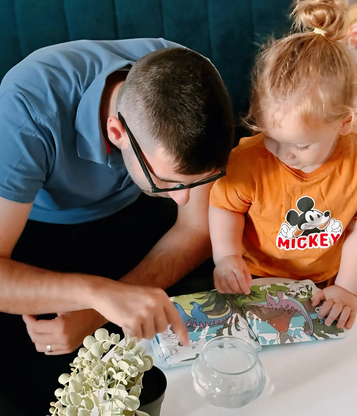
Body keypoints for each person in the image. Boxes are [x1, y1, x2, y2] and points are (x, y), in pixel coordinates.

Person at [0, 38, 234, 414]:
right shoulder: (25, 108)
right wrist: (95, 295)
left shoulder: (197, 84)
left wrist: (98, 313)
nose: (184, 199)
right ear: (116, 132)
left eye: (194, 182)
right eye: (169, 182)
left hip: (135, 212)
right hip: (38, 227)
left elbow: (195, 231)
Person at [209, 0, 357, 330]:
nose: (282, 153)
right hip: (255, 278)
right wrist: (226, 257)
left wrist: (348, 290)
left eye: (301, 145)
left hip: (324, 282)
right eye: (271, 136)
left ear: (345, 123)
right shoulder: (248, 160)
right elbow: (224, 206)